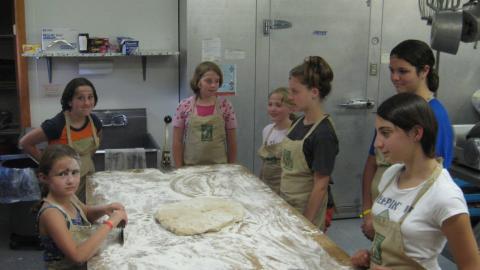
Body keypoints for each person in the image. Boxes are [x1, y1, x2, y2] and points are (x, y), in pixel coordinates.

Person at [351, 93, 479, 270]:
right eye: (377, 133)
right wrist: (372, 256)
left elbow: (472, 266)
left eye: (385, 133)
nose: (377, 144)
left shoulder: (445, 196)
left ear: (416, 133)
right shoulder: (391, 175)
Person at [361, 39, 454, 239]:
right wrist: (368, 210)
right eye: (391, 71)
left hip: (409, 223)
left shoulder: (435, 116)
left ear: (424, 71)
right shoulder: (394, 111)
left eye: (403, 71)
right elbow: (372, 162)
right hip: (383, 211)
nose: (395, 77)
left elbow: (435, 178)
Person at [36, 144, 128, 269]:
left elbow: (85, 213)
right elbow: (77, 256)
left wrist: (105, 209)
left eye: (75, 172)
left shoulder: (69, 196)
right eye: (62, 174)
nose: (71, 180)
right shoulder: (52, 213)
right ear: (44, 178)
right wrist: (111, 223)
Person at [19, 77, 102, 202]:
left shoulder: (94, 122)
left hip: (87, 181)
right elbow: (25, 142)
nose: (87, 103)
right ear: (70, 101)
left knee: (86, 216)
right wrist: (49, 165)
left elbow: (96, 144)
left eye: (90, 97)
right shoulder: (56, 125)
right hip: (63, 186)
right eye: (80, 98)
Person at [280, 56, 339, 232]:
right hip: (288, 201)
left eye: (295, 92)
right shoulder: (298, 122)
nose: (290, 97)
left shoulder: (323, 133)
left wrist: (306, 223)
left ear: (314, 92)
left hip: (307, 208)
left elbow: (321, 184)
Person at [172, 61, 237, 168]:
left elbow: (232, 142)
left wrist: (231, 168)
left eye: (217, 81)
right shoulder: (184, 105)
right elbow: (177, 142)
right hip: (190, 168)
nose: (213, 85)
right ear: (198, 82)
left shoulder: (225, 105)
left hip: (219, 169)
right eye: (208, 81)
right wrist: (179, 169)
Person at [258, 87, 294, 194]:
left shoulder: (294, 132)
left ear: (291, 108)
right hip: (267, 186)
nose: (273, 109)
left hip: (285, 189)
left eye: (278, 105)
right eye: (270, 104)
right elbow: (264, 164)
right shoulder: (267, 130)